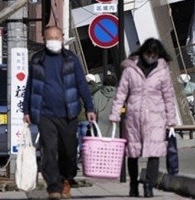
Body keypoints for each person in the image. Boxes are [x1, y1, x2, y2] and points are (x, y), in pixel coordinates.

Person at [22, 26, 97, 200]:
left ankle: (66, 179)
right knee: (49, 150)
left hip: (69, 113)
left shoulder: (71, 59)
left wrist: (90, 107)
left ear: (62, 38)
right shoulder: (37, 60)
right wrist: (26, 109)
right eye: (50, 37)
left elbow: (81, 84)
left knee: (69, 151)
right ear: (44, 38)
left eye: (57, 37)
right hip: (45, 113)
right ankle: (53, 187)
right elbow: (30, 86)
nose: (54, 40)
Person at [110, 39, 177, 198]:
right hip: (134, 116)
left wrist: (171, 119)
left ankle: (149, 185)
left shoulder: (162, 71)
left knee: (154, 153)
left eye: (154, 54)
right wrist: (115, 113)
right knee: (132, 153)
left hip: (155, 116)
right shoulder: (130, 70)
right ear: (143, 52)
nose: (151, 57)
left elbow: (168, 96)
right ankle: (133, 184)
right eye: (148, 53)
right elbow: (121, 93)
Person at [92, 72, 118, 139]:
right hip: (116, 126)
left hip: (100, 127)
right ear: (115, 83)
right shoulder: (119, 94)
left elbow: (94, 109)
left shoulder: (97, 94)